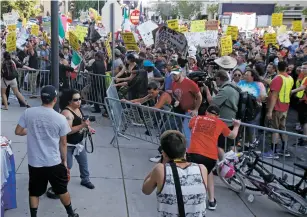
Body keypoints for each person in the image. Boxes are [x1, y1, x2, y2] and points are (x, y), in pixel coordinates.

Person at [14, 85, 79, 217]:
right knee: (62, 190)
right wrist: (64, 160)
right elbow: (64, 142)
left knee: (34, 191)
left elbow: (18, 131)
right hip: (54, 161)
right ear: (55, 100)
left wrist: (32, 130)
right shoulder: (60, 118)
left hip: (35, 162)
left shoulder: (29, 113)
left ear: (40, 98)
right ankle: (71, 213)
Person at [142, 130, 208, 217]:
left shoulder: (160, 169)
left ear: (164, 154)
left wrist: (160, 163)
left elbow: (145, 190)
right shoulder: (202, 169)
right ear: (185, 151)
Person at [188, 105, 241, 210]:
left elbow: (190, 127)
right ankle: (211, 201)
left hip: (193, 153)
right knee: (209, 173)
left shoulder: (196, 119)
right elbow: (233, 135)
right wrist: (236, 126)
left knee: (190, 173)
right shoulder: (220, 123)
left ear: (206, 112)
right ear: (218, 116)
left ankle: (189, 197)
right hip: (210, 156)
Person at [60, 89, 95, 189]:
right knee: (67, 165)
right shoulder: (67, 113)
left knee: (84, 163)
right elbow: (67, 130)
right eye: (76, 99)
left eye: (80, 99)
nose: (79, 101)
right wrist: (82, 125)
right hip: (68, 145)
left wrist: (88, 128)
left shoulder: (78, 108)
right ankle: (60, 183)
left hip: (78, 143)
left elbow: (82, 122)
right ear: (69, 101)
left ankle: (85, 179)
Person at [265, 61, 294, 159]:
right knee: (282, 128)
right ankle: (284, 150)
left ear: (277, 68)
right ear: (286, 68)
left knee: (275, 130)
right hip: (285, 107)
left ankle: (273, 152)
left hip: (277, 108)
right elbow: (289, 92)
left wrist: (269, 111)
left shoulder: (277, 79)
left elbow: (274, 96)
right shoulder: (290, 78)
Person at [207, 70, 240, 155]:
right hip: (231, 119)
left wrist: (207, 90)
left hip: (226, 121)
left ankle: (225, 166)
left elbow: (212, 103)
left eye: (215, 79)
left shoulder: (226, 89)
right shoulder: (232, 86)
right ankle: (234, 164)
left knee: (220, 146)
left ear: (218, 78)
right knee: (232, 144)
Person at [171, 69, 202, 148]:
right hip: (181, 110)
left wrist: (196, 109)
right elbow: (175, 94)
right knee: (181, 132)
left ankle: (189, 152)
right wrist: (177, 100)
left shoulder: (190, 83)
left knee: (186, 132)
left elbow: (199, 96)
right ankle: (183, 150)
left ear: (180, 73)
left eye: (175, 74)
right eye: (172, 74)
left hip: (190, 112)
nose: (173, 76)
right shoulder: (174, 83)